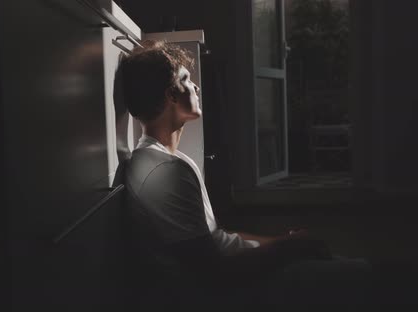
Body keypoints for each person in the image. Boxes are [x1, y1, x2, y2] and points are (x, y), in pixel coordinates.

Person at [114, 40, 372, 311]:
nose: (196, 86)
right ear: (171, 96)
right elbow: (216, 272)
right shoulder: (164, 171)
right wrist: (289, 248)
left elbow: (214, 238)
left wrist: (283, 242)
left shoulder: (166, 160)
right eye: (186, 80)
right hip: (242, 288)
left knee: (345, 266)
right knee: (368, 279)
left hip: (245, 270)